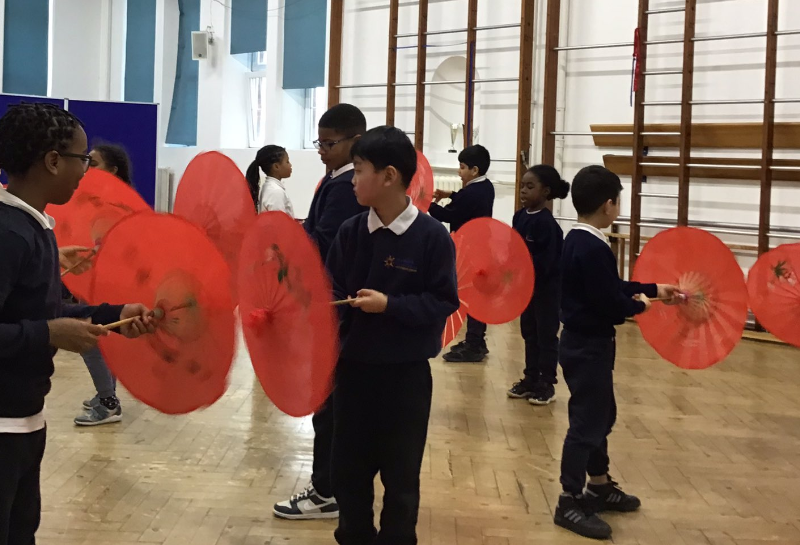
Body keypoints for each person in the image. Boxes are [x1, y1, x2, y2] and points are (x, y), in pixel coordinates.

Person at [0, 102, 154, 544]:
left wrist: (112, 315)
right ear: (52, 161)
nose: (85, 171)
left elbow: (38, 314)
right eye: (82, 159)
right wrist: (48, 334)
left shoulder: (35, 226)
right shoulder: (9, 233)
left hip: (25, 419)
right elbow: (42, 325)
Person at [326, 126, 459, 544]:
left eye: (358, 170)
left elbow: (443, 301)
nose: (352, 180)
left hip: (405, 378)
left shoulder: (432, 236)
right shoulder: (350, 232)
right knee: (348, 474)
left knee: (401, 480)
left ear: (388, 176)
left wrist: (390, 305)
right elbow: (330, 291)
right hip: (352, 373)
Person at [553, 165, 678, 540]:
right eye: (618, 201)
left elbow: (608, 286)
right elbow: (609, 301)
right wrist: (639, 306)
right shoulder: (592, 247)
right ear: (609, 205)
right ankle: (569, 499)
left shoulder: (578, 239)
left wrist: (654, 289)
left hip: (586, 345)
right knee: (587, 423)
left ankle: (599, 485)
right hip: (586, 347)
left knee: (601, 415)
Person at [273, 103, 368, 521]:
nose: (321, 150)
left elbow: (324, 243)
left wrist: (286, 252)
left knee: (329, 404)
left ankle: (328, 489)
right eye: (320, 142)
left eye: (330, 143)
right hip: (325, 303)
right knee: (330, 403)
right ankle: (333, 485)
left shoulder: (347, 187)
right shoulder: (335, 180)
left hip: (332, 306)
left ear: (355, 142)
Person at [71, 142, 136, 426]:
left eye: (93, 163)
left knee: (88, 336)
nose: (87, 168)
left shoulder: (118, 206)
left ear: (113, 170)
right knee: (101, 338)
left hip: (107, 282)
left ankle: (108, 402)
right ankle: (106, 393)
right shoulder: (94, 201)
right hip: (94, 279)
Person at [507, 165, 570, 405]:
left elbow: (548, 264)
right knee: (529, 333)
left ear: (545, 192)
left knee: (546, 336)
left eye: (530, 186)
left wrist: (525, 267)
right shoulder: (519, 217)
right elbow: (513, 249)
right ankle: (530, 378)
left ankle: (547, 383)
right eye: (522, 186)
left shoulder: (548, 225)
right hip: (526, 291)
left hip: (546, 291)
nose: (523, 190)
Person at [428, 144, 494, 363]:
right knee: (475, 296)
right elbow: (465, 202)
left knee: (473, 297)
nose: (459, 171)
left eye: (462, 167)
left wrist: (428, 204)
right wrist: (450, 194)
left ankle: (474, 344)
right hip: (481, 247)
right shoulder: (485, 187)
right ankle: (476, 340)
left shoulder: (470, 193)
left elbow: (449, 215)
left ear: (474, 170)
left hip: (472, 250)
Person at [245, 145, 294, 216]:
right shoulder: (275, 191)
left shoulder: (271, 187)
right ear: (276, 166)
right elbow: (278, 221)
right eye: (287, 162)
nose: (290, 165)